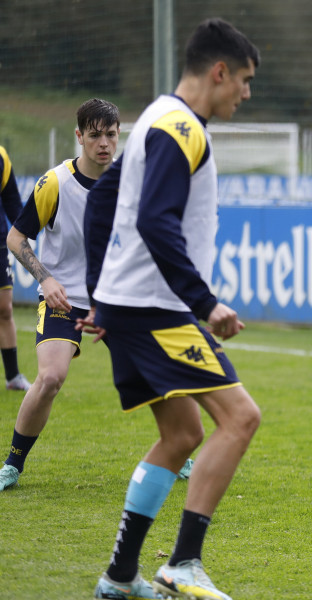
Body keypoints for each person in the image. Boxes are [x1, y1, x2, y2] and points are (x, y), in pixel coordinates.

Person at [82, 19, 261, 600]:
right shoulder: (181, 127)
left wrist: (99, 291)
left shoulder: (158, 117)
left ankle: (119, 575)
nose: (246, 93)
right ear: (219, 72)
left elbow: (105, 199)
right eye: (244, 80)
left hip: (130, 305)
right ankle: (183, 562)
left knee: (182, 433)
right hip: (155, 310)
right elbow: (154, 220)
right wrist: (205, 303)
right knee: (240, 418)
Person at [0, 100, 193, 494]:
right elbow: (16, 237)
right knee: (51, 377)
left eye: (110, 134)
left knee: (152, 370)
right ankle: (12, 464)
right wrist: (46, 278)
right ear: (79, 137)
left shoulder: (134, 183)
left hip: (117, 297)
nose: (104, 143)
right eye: (94, 135)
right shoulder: (54, 183)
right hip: (64, 299)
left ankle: (179, 452)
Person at [0, 145, 32, 392]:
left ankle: (13, 377)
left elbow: (11, 198)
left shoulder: (1, 156)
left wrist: (27, 230)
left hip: (0, 243)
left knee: (4, 308)